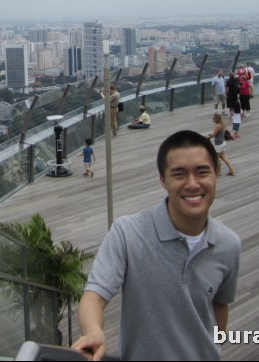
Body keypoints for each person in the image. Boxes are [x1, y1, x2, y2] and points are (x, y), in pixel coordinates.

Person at [72, 130, 241, 361]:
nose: (192, 184)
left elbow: (220, 305)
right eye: (179, 174)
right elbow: (94, 296)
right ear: (163, 179)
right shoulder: (128, 233)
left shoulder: (228, 244)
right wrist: (93, 331)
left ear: (217, 174)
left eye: (202, 172)